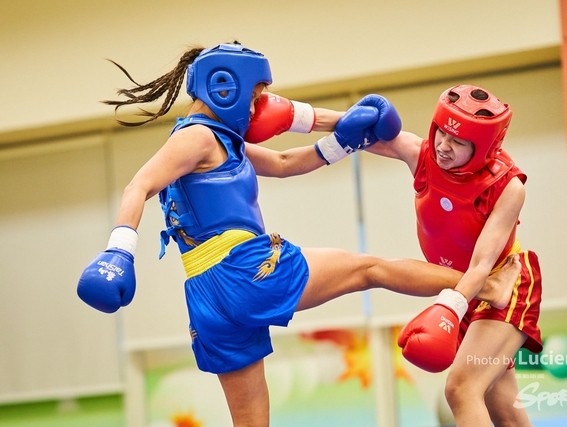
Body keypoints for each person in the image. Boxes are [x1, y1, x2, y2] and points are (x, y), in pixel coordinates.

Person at [76, 44, 520, 427]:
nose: (256, 108)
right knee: (370, 269)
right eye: (253, 97)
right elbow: (139, 185)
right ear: (224, 87)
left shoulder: (216, 140)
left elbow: (287, 163)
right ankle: (484, 284)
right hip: (248, 269)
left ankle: (477, 284)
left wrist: (344, 135)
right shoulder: (195, 138)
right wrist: (119, 250)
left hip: (206, 297)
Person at [365, 85, 542, 427]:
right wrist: (300, 117)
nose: (444, 146)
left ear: (485, 148)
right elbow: (357, 132)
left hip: (501, 283)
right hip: (464, 290)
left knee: (461, 390)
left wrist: (449, 306)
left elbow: (481, 265)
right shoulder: (422, 155)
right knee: (505, 414)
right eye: (442, 134)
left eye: (458, 142)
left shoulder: (507, 187)